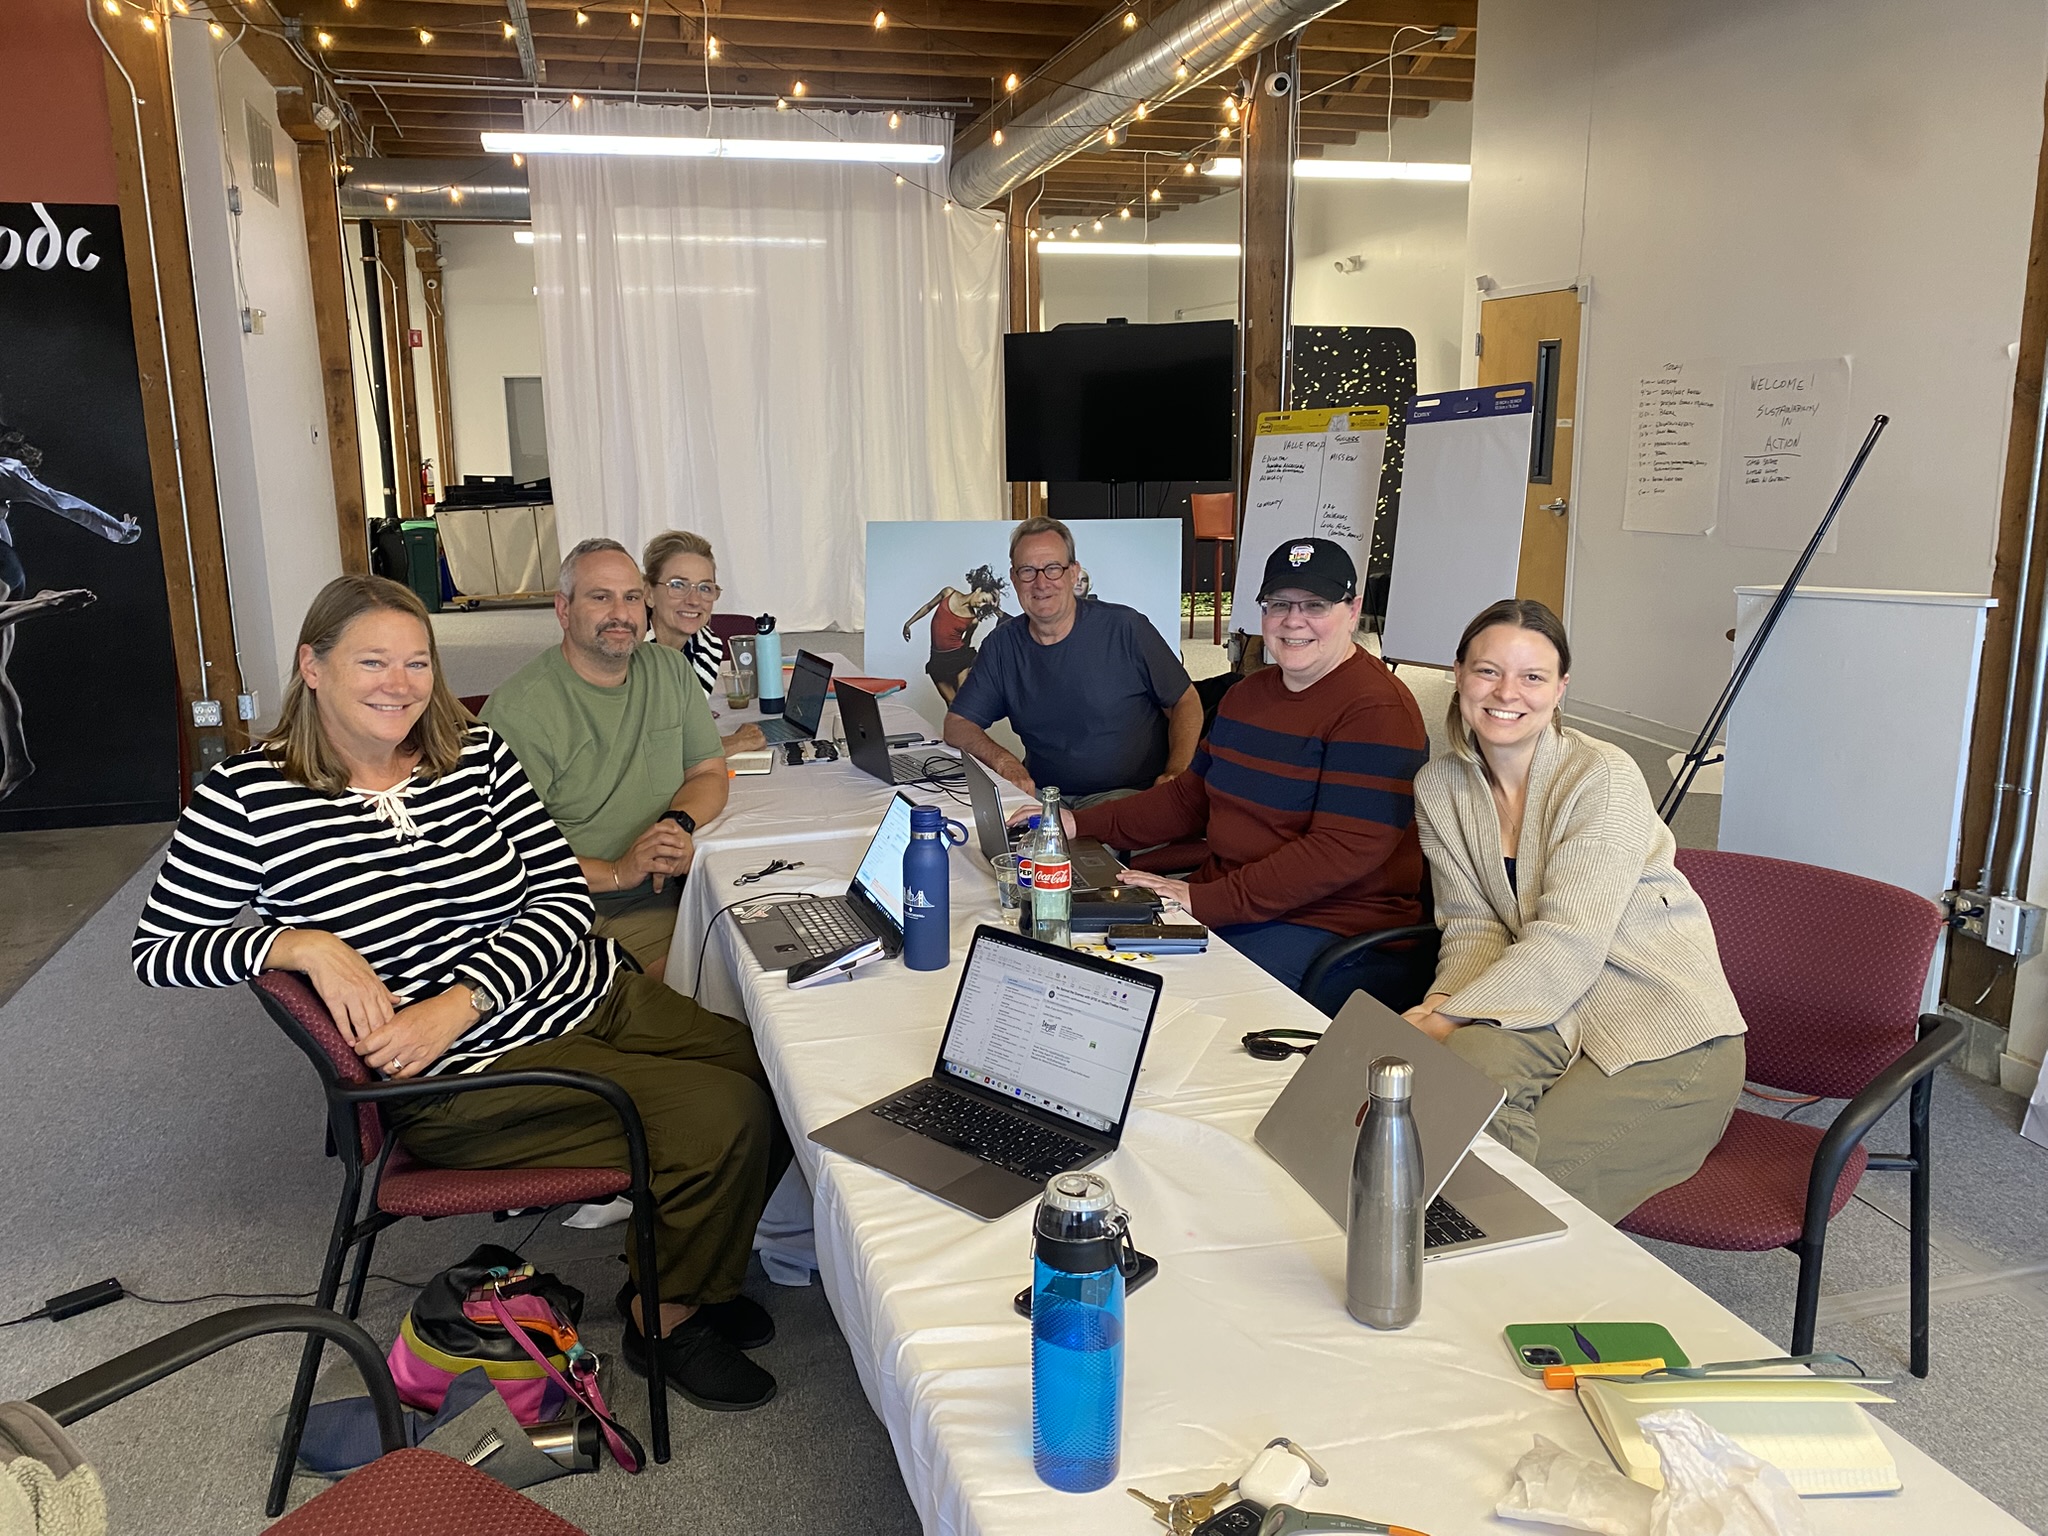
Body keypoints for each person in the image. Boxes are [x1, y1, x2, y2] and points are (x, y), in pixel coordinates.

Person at [131, 574, 788, 1410]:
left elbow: (562, 895)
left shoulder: (473, 753)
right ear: (313, 666)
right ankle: (664, 1318)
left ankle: (679, 1268)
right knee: (722, 1114)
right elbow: (160, 951)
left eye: (416, 662)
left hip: (583, 992)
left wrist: (464, 996)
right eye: (372, 661)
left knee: (778, 1071)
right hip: (469, 1073)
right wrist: (298, 943)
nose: (399, 684)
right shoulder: (246, 797)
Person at [1405, 598, 1748, 1222]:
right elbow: (1474, 924)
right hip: (1548, 1010)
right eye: (1488, 671)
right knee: (1448, 1091)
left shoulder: (1602, 775)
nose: (1507, 692)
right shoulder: (1440, 786)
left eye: (1532, 677)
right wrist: (1439, 1007)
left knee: (1502, 1199)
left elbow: (1570, 940)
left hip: (1661, 1030)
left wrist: (1448, 1017)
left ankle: (1494, 1255)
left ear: (1560, 688)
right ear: (1458, 674)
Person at [1044, 538, 1430, 1008]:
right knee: (1084, 956)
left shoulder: (1378, 710)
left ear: (1352, 611)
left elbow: (1336, 854)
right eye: (1279, 604)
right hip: (1238, 903)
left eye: (1315, 605)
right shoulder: (1248, 695)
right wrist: (1076, 823)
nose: (1293, 620)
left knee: (1167, 999)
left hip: (1328, 928)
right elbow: (1189, 799)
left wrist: (1204, 901)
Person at [483, 539, 728, 980]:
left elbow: (707, 770)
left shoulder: (670, 670)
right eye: (601, 597)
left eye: (631, 597)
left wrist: (677, 825)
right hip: (584, 906)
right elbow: (498, 858)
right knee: (717, 982)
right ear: (563, 610)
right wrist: (617, 872)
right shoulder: (519, 712)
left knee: (787, 945)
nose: (621, 613)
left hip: (686, 881)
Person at [945, 516, 1201, 806]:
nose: (1041, 583)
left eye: (1053, 569)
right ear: (1014, 579)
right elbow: (957, 724)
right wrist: (1005, 762)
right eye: (1028, 571)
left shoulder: (1126, 628)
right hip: (1045, 796)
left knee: (1079, 838)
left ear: (1073, 574)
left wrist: (1177, 773)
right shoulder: (1002, 644)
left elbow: (1186, 701)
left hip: (1125, 796)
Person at [0, 414, 143, 800]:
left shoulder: (6, 472)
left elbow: (62, 503)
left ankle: (46, 604)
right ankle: (17, 760)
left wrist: (118, 530)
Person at [641, 528, 767, 757]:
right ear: (648, 594)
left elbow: (684, 736)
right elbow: (650, 756)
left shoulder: (705, 648)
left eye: (705, 588)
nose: (694, 600)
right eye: (678, 585)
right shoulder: (629, 654)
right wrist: (735, 743)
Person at [902, 564, 1007, 706]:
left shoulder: (973, 620)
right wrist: (908, 623)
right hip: (937, 659)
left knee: (963, 702)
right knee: (951, 703)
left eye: (985, 605)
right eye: (983, 601)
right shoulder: (948, 592)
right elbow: (928, 607)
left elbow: (966, 642)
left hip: (958, 658)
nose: (981, 605)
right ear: (978, 590)